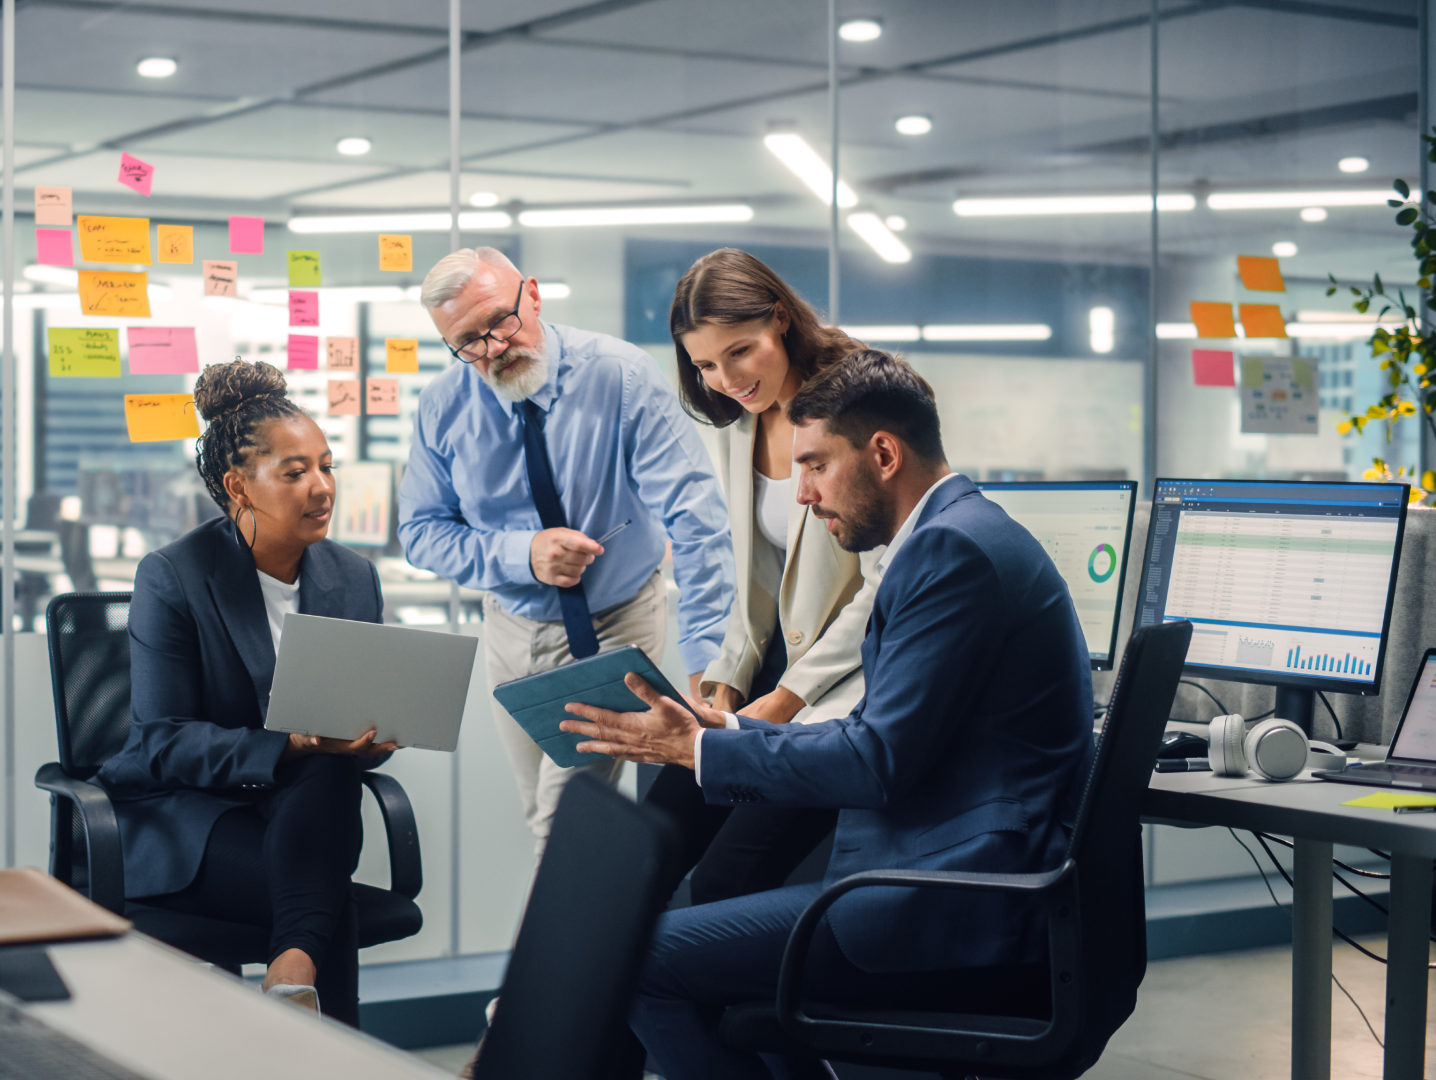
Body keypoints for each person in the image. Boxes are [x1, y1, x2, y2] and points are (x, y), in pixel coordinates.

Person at [560, 350, 1094, 1080]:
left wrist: (699, 753)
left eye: (814, 466)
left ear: (882, 453)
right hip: (936, 872)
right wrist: (731, 731)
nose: (803, 496)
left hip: (951, 902)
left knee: (637, 959)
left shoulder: (950, 555)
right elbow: (885, 732)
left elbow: (878, 760)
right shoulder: (952, 537)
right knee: (722, 969)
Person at [398, 246, 734, 852]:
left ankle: (557, 949)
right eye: (468, 342)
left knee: (564, 825)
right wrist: (521, 554)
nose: (494, 348)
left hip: (616, 622)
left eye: (501, 321)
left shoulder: (621, 376)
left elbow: (697, 518)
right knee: (546, 818)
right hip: (510, 630)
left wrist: (710, 660)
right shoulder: (444, 407)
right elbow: (421, 532)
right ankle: (622, 942)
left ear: (532, 294)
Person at [96, 360, 396, 1024]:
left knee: (329, 766)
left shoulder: (351, 578)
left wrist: (373, 733)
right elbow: (161, 739)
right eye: (294, 473)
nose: (321, 488)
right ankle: (304, 992)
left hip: (308, 812)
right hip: (192, 819)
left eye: (326, 465)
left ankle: (290, 987)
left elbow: (355, 732)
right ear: (239, 486)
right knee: (325, 904)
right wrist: (292, 742)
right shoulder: (175, 576)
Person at [645, 248, 879, 908]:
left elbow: (887, 586)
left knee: (727, 878)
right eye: (706, 365)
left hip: (844, 685)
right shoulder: (743, 420)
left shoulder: (859, 401)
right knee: (650, 836)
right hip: (773, 668)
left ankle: (717, 1007)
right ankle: (592, 1010)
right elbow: (757, 574)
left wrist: (787, 698)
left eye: (740, 352)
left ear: (780, 318)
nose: (726, 378)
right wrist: (727, 678)